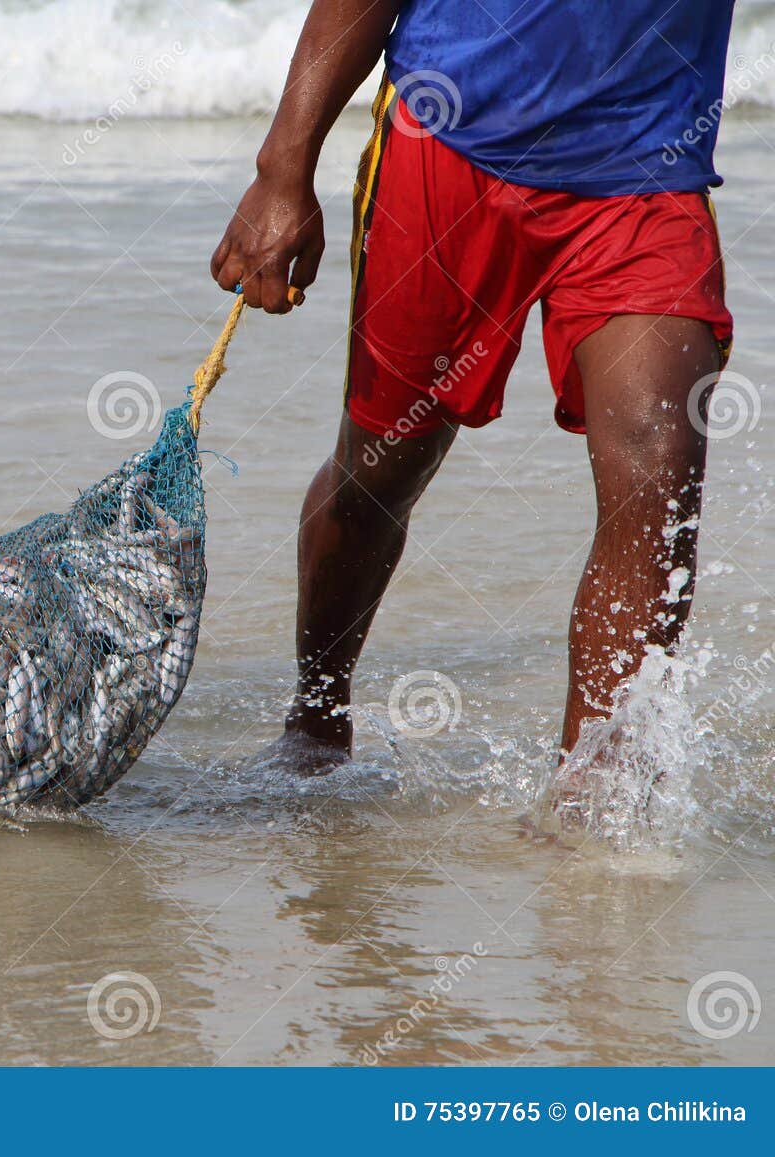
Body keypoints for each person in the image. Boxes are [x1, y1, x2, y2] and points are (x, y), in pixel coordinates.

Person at [209, 1, 735, 789]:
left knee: (659, 470)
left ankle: (595, 804)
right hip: (447, 147)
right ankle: (316, 716)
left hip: (646, 170)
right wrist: (283, 168)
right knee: (381, 469)